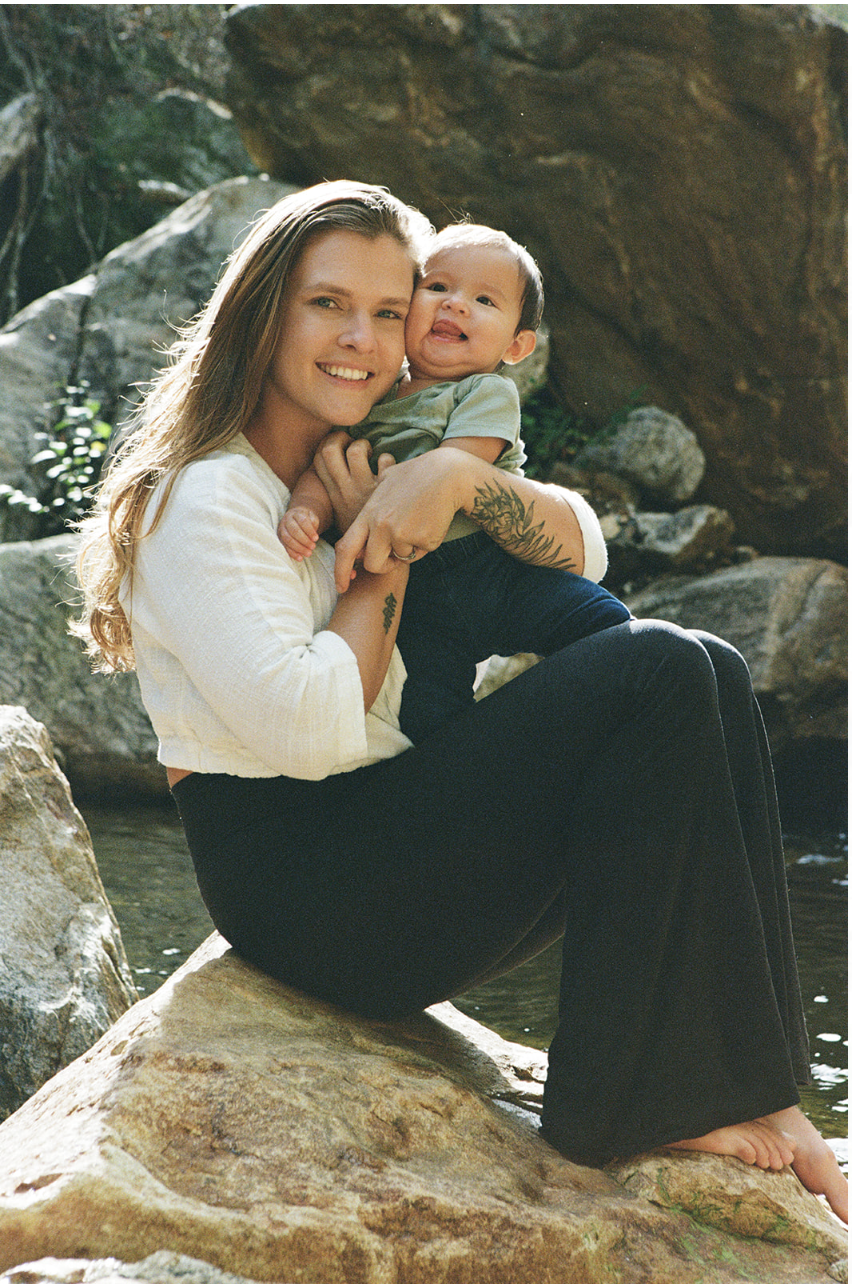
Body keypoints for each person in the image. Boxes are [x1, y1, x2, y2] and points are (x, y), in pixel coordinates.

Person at [73, 180, 847, 1221]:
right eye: (327, 305)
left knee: (705, 663)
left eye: (389, 312)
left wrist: (454, 484)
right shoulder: (208, 495)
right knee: (656, 668)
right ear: (260, 311)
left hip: (388, 846)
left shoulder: (368, 445)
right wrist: (380, 558)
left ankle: (746, 1086)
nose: (365, 338)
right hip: (307, 894)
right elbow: (307, 736)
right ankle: (630, 1101)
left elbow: (584, 543)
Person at [278, 222, 631, 741]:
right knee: (429, 719)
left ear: (516, 346)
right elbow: (326, 469)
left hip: (490, 566)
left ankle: (607, 726)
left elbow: (449, 475)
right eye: (438, 287)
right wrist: (306, 511)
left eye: (484, 300)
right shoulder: (369, 395)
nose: (456, 305)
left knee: (605, 625)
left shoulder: (484, 392)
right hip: (419, 599)